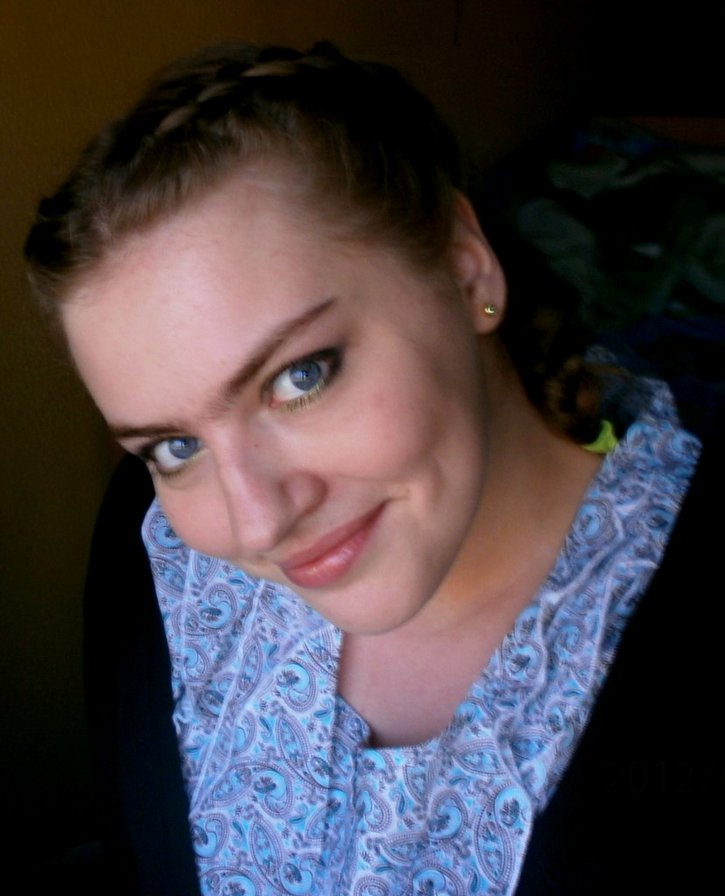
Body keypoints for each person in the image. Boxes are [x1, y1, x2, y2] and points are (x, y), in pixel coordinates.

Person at [24, 41, 721, 896]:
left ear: (463, 267)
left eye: (299, 377)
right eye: (176, 446)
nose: (256, 522)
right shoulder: (152, 557)